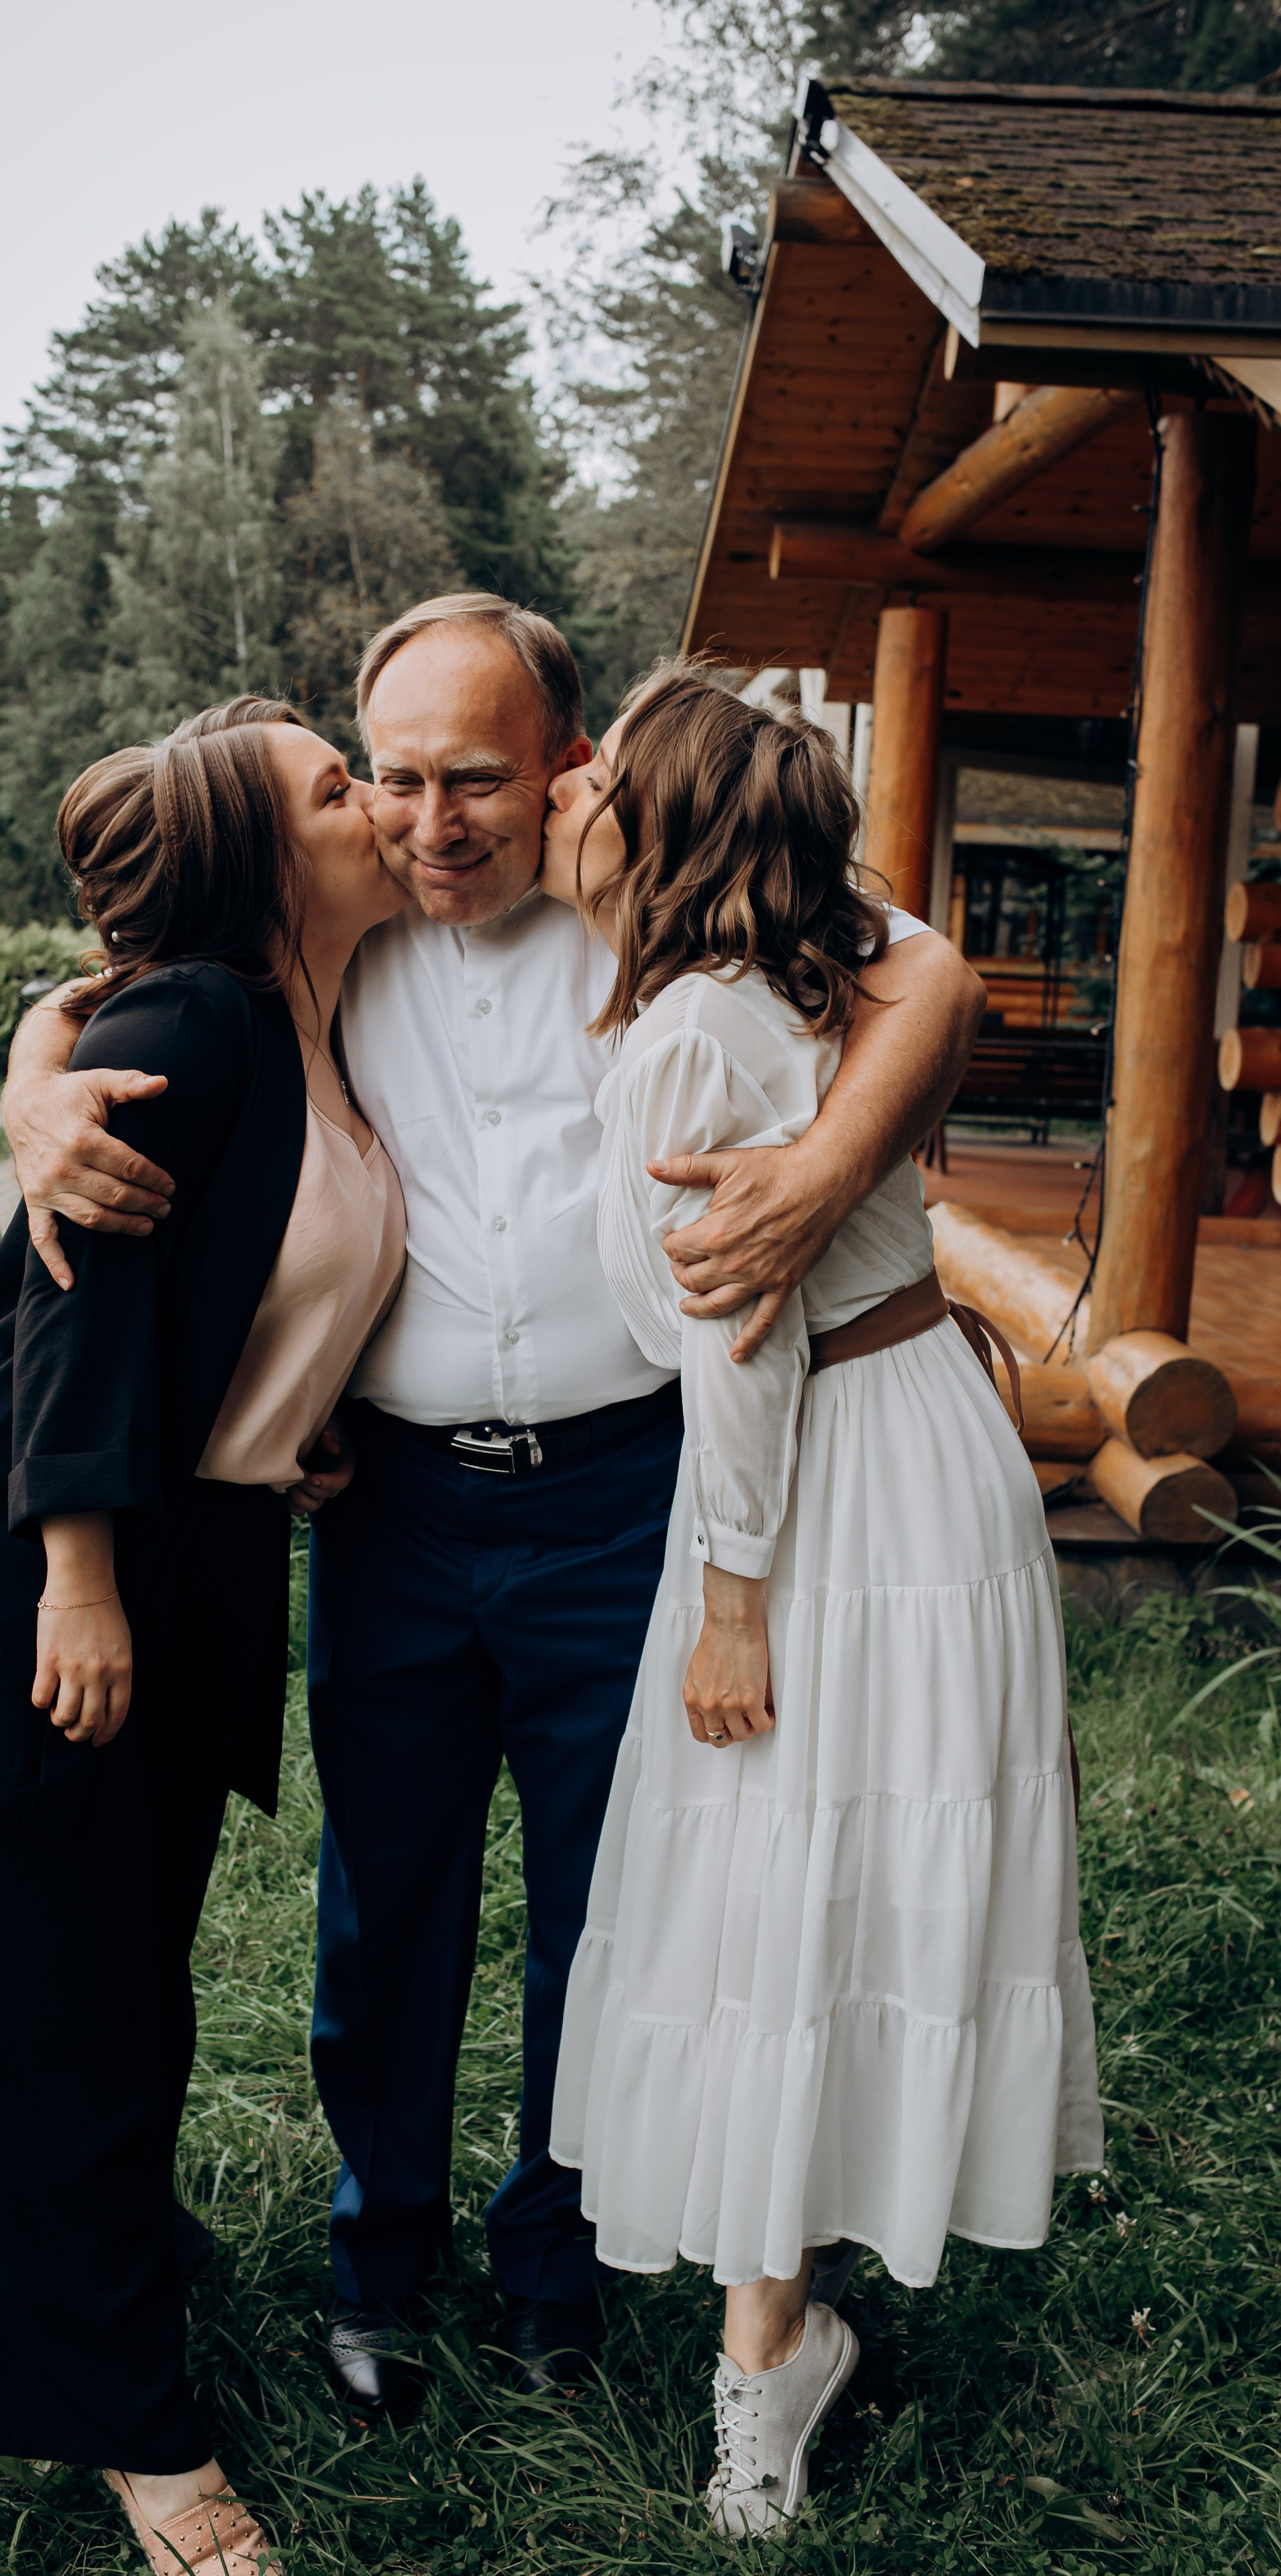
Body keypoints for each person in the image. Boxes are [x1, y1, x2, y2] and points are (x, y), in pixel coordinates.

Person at [1, 596, 988, 2408]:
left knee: (611, 1899)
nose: (434, 823)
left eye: (477, 780)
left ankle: (562, 2256)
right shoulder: (335, 919)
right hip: (397, 1507)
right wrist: (27, 1082)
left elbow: (927, 971)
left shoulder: (663, 896)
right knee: (386, 1901)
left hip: (633, 1490)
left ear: (570, 765)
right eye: (396, 779)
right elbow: (107, 978)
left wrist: (835, 1158)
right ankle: (377, 2262)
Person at [0, 701, 408, 2576]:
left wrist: (285, 1423)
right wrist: (80, 1572)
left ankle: (45, 2312)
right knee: (42, 2014)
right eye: (342, 789)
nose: (381, 808)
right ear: (262, 853)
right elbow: (77, 1315)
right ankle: (136, 2443)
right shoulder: (194, 1024)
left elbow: (252, 1286)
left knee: (93, 1998)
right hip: (22, 1573)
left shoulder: (322, 1035)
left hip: (186, 1550)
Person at [540, 661, 1100, 2536]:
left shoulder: (701, 1032)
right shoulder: (784, 994)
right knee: (839, 1866)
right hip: (930, 1435)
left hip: (829, 1482)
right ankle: (790, 2306)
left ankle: (764, 2367)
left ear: (660, 826)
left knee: (776, 1880)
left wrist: (731, 1599)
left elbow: (733, 1358)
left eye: (594, 779)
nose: (565, 797)